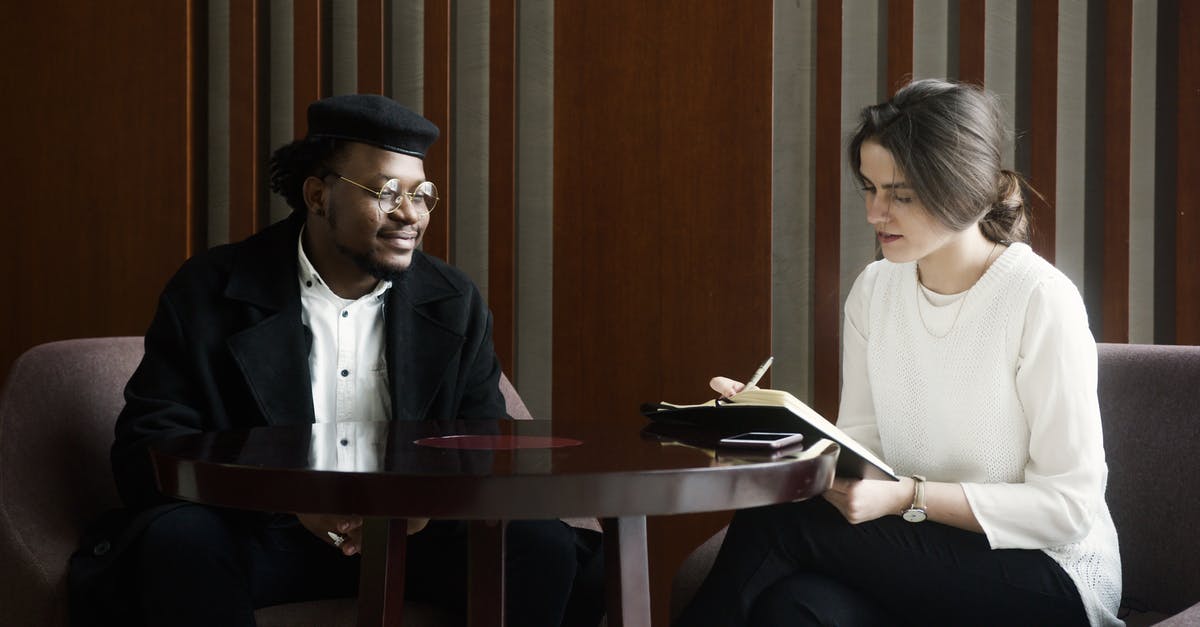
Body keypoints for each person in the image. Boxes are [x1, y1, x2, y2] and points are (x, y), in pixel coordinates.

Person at [72, 94, 603, 627]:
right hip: (262, 533)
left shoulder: (453, 299)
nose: (410, 215)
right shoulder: (210, 289)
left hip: (415, 536)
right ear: (318, 195)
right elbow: (147, 447)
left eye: (422, 195)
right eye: (388, 191)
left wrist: (422, 509)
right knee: (176, 540)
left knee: (538, 543)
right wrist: (290, 500)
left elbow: (484, 442)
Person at [673, 79, 1122, 626]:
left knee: (779, 527)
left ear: (964, 190)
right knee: (791, 609)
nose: (874, 213)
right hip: (919, 553)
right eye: (869, 188)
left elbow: (1067, 509)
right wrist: (772, 430)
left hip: (1048, 577)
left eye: (900, 195)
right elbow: (861, 453)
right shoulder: (874, 290)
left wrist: (909, 496)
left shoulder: (1039, 299)